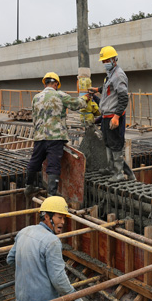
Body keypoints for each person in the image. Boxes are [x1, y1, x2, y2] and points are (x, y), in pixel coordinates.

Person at [25, 72, 88, 197]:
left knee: (35, 160)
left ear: (45, 84)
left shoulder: (36, 98)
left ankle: (29, 187)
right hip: (55, 137)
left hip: (39, 136)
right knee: (54, 164)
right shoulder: (60, 95)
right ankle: (51, 195)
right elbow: (76, 104)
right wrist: (85, 98)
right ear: (56, 84)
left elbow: (34, 118)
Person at [93, 45, 129, 181]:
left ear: (114, 59)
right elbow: (109, 89)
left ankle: (119, 173)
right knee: (108, 142)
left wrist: (116, 116)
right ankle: (111, 168)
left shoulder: (118, 75)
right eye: (103, 61)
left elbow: (123, 97)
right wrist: (97, 90)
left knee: (115, 144)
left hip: (113, 116)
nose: (105, 63)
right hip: (106, 116)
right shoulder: (111, 74)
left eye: (107, 60)